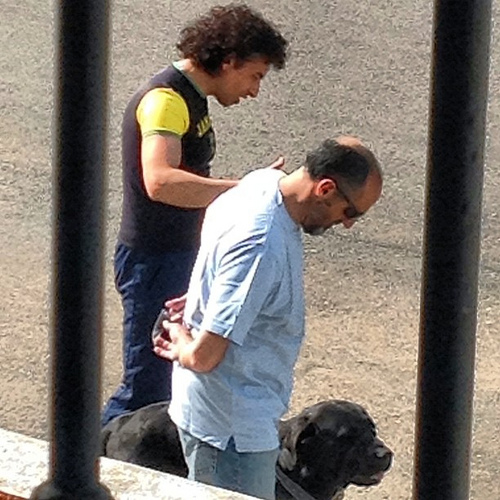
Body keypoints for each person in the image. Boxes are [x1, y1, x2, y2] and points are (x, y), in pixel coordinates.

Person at [153, 136, 383, 500]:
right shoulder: (261, 244)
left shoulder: (259, 183)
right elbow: (203, 356)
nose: (348, 224)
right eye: (350, 212)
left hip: (227, 422)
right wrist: (180, 341)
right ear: (325, 188)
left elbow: (223, 259)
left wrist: (206, 295)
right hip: (232, 433)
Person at [101, 4, 288, 426]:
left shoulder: (192, 98)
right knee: (145, 392)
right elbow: (161, 181)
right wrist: (244, 189)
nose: (254, 90)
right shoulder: (165, 100)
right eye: (255, 75)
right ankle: (85, 458)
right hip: (154, 264)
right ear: (229, 61)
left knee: (170, 388)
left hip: (176, 259)